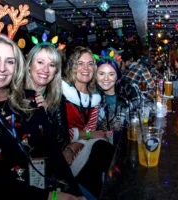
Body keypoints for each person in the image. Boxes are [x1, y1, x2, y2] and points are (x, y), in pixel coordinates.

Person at [0, 34, 85, 200]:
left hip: (44, 181)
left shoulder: (31, 99)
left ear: (16, 66)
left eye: (9, 61)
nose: (2, 68)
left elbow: (55, 153)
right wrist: (52, 197)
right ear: (28, 66)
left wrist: (75, 193)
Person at [62, 46, 115, 198]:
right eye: (80, 63)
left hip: (81, 149)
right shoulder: (61, 93)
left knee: (106, 151)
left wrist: (76, 143)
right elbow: (62, 133)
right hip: (63, 155)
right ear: (72, 66)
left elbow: (90, 132)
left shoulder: (94, 98)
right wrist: (88, 135)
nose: (86, 68)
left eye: (90, 64)